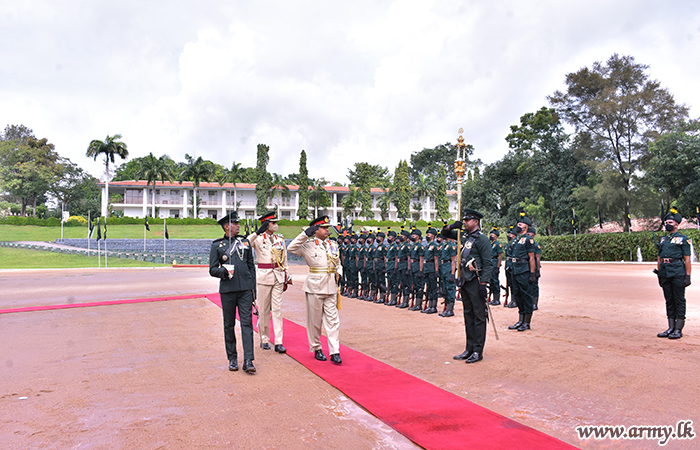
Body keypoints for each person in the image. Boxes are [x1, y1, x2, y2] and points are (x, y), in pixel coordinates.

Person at [287, 215, 342, 364]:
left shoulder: (333, 244)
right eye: (323, 227)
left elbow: (338, 262)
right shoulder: (308, 245)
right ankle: (317, 347)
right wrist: (305, 234)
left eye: (327, 227)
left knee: (333, 321)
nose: (327, 230)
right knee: (315, 321)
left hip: (331, 286)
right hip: (315, 286)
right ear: (315, 230)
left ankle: (334, 351)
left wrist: (340, 273)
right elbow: (291, 248)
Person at [208, 211, 257, 373]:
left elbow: (251, 267)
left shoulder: (245, 243)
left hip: (244, 290)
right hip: (228, 290)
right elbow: (212, 269)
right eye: (235, 223)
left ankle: (249, 359)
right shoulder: (217, 245)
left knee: (247, 323)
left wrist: (253, 290)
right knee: (229, 325)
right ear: (227, 226)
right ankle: (233, 359)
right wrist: (225, 272)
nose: (238, 226)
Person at [446, 209, 493, 364]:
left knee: (479, 317)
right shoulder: (463, 236)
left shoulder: (482, 239)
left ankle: (478, 351)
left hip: (476, 281)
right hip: (465, 280)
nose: (465, 222)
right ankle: (469, 348)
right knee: (468, 315)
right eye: (464, 220)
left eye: (467, 220)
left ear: (476, 222)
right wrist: (451, 226)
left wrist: (484, 284)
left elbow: (488, 263)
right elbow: (444, 234)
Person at [247, 211, 288, 354]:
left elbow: (284, 259)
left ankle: (278, 341)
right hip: (264, 277)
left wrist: (286, 275)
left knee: (277, 310)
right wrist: (257, 232)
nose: (276, 225)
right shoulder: (258, 239)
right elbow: (246, 243)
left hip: (277, 276)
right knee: (263, 310)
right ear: (266, 224)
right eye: (273, 223)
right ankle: (264, 339)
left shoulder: (279, 239)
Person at [655, 208, 692, 339]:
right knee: (669, 300)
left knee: (679, 300)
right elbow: (659, 258)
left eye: (670, 222)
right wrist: (659, 273)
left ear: (676, 224)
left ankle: (678, 329)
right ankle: (670, 327)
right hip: (665, 272)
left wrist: (688, 276)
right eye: (666, 222)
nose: (667, 224)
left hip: (677, 272)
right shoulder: (663, 239)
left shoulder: (683, 239)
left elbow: (687, 259)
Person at [508, 214, 537, 332]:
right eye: (518, 224)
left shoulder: (528, 240)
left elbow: (531, 258)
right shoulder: (516, 240)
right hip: (515, 270)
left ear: (526, 227)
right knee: (518, 295)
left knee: (526, 296)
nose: (518, 226)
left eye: (520, 225)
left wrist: (532, 273)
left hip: (524, 270)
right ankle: (520, 320)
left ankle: (527, 322)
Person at [438, 231, 457, 317]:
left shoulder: (452, 246)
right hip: (443, 267)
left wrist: (452, 274)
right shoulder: (444, 245)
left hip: (449, 267)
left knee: (450, 288)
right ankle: (446, 308)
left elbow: (453, 261)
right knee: (445, 288)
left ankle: (450, 309)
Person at [422, 226, 440, 314]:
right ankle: (429, 305)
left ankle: (433, 306)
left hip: (432, 268)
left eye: (429, 234)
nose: (427, 236)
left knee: (433, 288)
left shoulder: (435, 246)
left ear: (433, 236)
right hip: (426, 268)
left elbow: (436, 259)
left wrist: (436, 270)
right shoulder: (427, 246)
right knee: (428, 287)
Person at [408, 228, 425, 311]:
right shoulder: (413, 246)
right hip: (413, 267)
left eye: (414, 235)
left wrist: (421, 270)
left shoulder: (420, 246)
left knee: (419, 286)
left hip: (418, 267)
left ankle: (419, 304)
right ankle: (415, 303)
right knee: (414, 286)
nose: (412, 236)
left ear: (418, 237)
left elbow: (421, 259)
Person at [527, 227, 542, 310]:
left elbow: (538, 258)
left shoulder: (536, 245)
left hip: (535, 267)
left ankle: (535, 303)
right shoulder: (525, 244)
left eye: (531, 235)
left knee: (534, 286)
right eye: (528, 235)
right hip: (527, 267)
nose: (530, 236)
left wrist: (538, 271)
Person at [397, 228, 412, 308]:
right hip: (400, 265)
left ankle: (406, 301)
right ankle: (403, 300)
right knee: (402, 283)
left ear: (406, 238)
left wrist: (409, 269)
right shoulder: (401, 246)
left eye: (403, 236)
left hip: (405, 266)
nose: (401, 237)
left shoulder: (407, 246)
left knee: (406, 283)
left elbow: (408, 258)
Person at [503, 226, 517, 308]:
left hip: (513, 265)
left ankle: (515, 301)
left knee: (514, 283)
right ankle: (512, 300)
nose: (509, 235)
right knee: (510, 283)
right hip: (508, 264)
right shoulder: (508, 244)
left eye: (510, 234)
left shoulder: (515, 244)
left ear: (514, 235)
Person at [385, 228, 400, 306]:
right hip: (389, 265)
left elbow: (396, 257)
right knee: (390, 282)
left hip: (393, 264)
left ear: (394, 238)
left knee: (394, 282)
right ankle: (391, 298)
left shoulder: (395, 246)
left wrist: (395, 268)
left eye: (390, 237)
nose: (388, 238)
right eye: (388, 237)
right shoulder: (389, 246)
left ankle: (394, 299)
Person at [488, 228, 503, 306]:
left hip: (494, 263)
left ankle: (497, 299)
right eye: (490, 234)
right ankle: (493, 298)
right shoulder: (491, 244)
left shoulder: (497, 244)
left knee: (495, 281)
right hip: (490, 264)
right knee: (491, 281)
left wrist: (498, 267)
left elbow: (500, 256)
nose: (491, 236)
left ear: (496, 236)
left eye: (492, 235)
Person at [374, 230, 388, 303]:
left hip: (381, 265)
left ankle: (383, 296)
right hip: (376, 265)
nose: (378, 238)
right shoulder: (378, 246)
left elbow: (385, 257)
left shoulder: (383, 247)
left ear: (382, 238)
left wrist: (385, 267)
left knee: (381, 281)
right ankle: (380, 296)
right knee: (377, 281)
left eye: (379, 237)